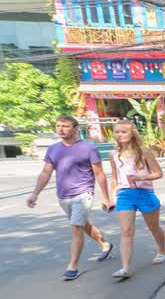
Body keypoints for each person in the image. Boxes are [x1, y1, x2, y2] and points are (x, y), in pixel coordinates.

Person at [26, 115, 114, 280]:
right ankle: (105, 244)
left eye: (65, 126)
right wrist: (35, 193)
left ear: (75, 128)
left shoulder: (88, 148)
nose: (60, 129)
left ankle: (72, 266)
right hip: (63, 195)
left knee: (76, 228)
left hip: (83, 193)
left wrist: (106, 197)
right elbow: (46, 172)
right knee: (82, 225)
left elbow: (99, 173)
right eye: (58, 126)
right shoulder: (53, 149)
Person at [108, 120, 165, 279]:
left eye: (123, 131)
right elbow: (114, 178)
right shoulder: (113, 154)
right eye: (117, 132)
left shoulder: (143, 151)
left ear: (132, 133)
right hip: (124, 194)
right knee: (126, 231)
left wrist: (141, 177)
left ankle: (162, 250)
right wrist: (110, 197)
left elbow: (158, 173)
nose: (119, 135)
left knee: (154, 227)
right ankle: (125, 268)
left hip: (144, 192)